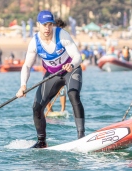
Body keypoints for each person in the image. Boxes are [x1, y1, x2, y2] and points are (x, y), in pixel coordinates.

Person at [16, 10, 85, 148]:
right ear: (38, 25)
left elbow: (78, 57)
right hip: (53, 75)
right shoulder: (34, 43)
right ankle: (41, 142)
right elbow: (27, 66)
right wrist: (23, 85)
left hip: (70, 70)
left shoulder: (62, 35)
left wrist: (71, 64)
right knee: (36, 107)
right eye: (44, 25)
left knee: (72, 94)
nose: (47, 28)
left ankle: (81, 137)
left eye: (49, 25)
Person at [46, 18, 67, 113]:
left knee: (62, 89)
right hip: (50, 69)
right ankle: (49, 110)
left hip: (62, 70)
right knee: (46, 91)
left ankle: (62, 110)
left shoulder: (64, 39)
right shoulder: (49, 39)